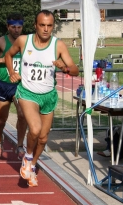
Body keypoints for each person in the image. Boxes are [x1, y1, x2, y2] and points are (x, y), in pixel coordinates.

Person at [5, 10, 79, 187]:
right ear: (35, 25)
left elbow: (75, 69)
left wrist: (65, 68)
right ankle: (28, 157)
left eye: (49, 26)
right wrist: (12, 72)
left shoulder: (58, 45)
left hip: (48, 95)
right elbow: (8, 55)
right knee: (35, 129)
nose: (46, 29)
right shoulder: (24, 41)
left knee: (44, 138)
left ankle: (32, 165)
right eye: (42, 25)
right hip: (27, 93)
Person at [0, 13, 27, 159]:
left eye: (19, 27)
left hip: (20, 86)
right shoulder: (0, 42)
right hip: (4, 85)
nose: (16, 30)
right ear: (8, 26)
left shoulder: (26, 41)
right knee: (2, 118)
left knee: (22, 115)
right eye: (13, 27)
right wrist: (3, 59)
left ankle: (20, 145)